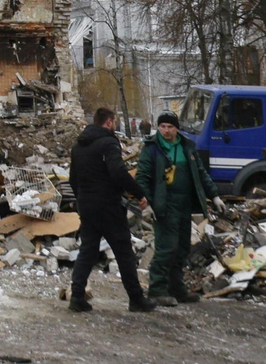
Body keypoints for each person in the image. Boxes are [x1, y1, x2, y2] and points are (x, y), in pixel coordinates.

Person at [68, 106, 155, 313]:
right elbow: (118, 172)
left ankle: (77, 296)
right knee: (123, 251)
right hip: (108, 206)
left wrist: (82, 199)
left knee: (87, 251)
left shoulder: (78, 146)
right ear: (108, 122)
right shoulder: (108, 143)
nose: (114, 126)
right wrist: (139, 193)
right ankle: (136, 299)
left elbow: (73, 179)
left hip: (87, 206)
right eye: (114, 122)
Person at [137, 111, 221, 306]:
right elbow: (142, 177)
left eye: (170, 127)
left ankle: (176, 288)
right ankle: (157, 290)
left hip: (184, 205)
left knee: (182, 247)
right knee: (167, 247)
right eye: (163, 127)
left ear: (177, 128)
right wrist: (146, 202)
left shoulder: (186, 147)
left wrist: (214, 195)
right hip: (164, 205)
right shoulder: (151, 149)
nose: (166, 131)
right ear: (158, 128)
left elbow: (200, 173)